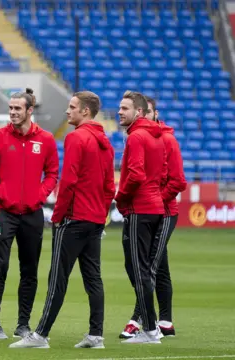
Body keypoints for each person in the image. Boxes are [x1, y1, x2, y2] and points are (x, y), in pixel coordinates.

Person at [9, 91, 115, 349]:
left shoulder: (76, 138)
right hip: (94, 219)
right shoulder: (105, 142)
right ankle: (96, 335)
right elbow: (109, 186)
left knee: (57, 278)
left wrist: (57, 217)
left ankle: (41, 335)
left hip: (74, 217)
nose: (68, 111)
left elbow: (68, 181)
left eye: (72, 107)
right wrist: (101, 216)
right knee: (93, 278)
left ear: (85, 112)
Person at [0, 88, 59, 340]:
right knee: (0, 266)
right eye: (11, 108)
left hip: (32, 214)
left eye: (18, 108)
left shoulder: (46, 139)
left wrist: (39, 195)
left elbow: (52, 174)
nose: (13, 112)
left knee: (29, 269)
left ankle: (23, 324)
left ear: (29, 110)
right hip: (4, 213)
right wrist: (0, 194)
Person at [120, 96, 186, 339]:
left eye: (147, 113)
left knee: (149, 266)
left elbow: (178, 180)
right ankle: (163, 320)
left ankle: (141, 320)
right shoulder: (146, 137)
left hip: (164, 211)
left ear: (152, 113)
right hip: (154, 207)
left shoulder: (166, 138)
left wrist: (157, 196)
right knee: (155, 265)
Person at [115, 90, 167, 345]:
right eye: (119, 108)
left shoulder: (137, 137)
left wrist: (120, 197)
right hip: (155, 207)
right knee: (141, 269)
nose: (119, 112)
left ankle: (150, 329)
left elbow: (135, 175)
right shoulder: (156, 136)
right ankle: (151, 325)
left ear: (138, 111)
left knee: (139, 270)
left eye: (125, 108)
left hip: (140, 207)